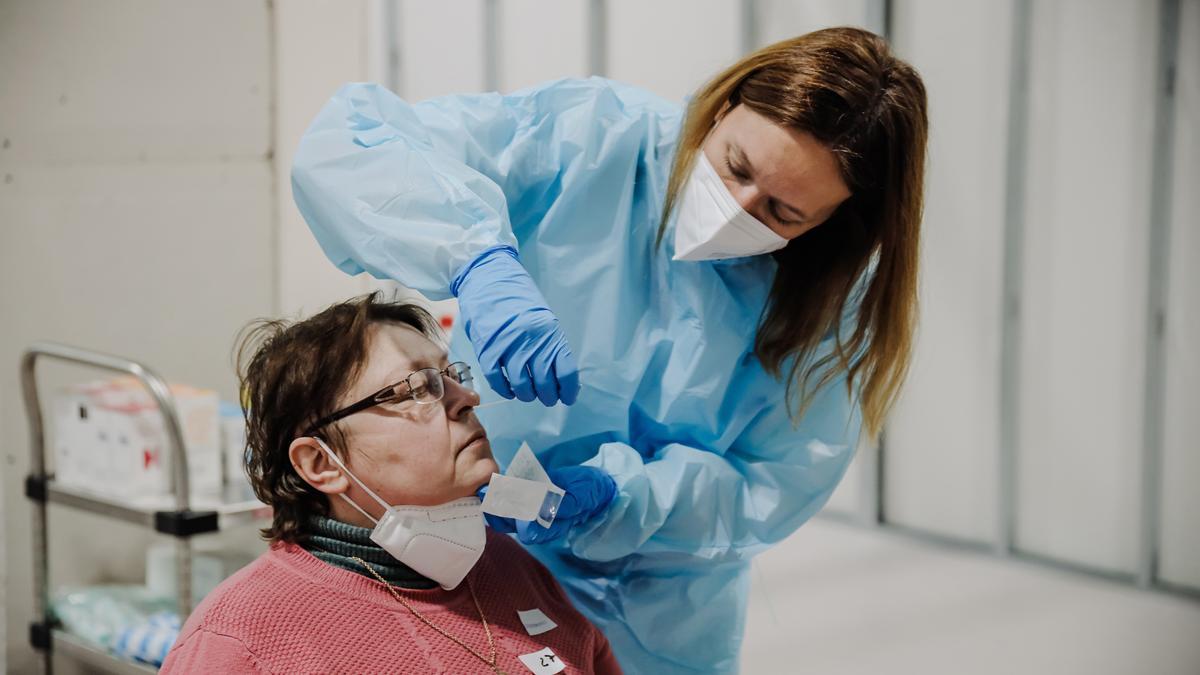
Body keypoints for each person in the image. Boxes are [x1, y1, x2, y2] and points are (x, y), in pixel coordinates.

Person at [292, 27, 928, 673]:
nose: (735, 208)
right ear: (724, 105)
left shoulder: (834, 297)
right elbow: (350, 146)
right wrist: (475, 255)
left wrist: (626, 498)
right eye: (734, 165)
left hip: (667, 611)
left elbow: (772, 483)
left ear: (831, 224)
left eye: (782, 213)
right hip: (484, 553)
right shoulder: (594, 139)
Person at [160, 293, 621, 674]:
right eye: (417, 389)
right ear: (322, 463)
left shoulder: (513, 568)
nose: (466, 398)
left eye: (450, 375)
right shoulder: (241, 642)